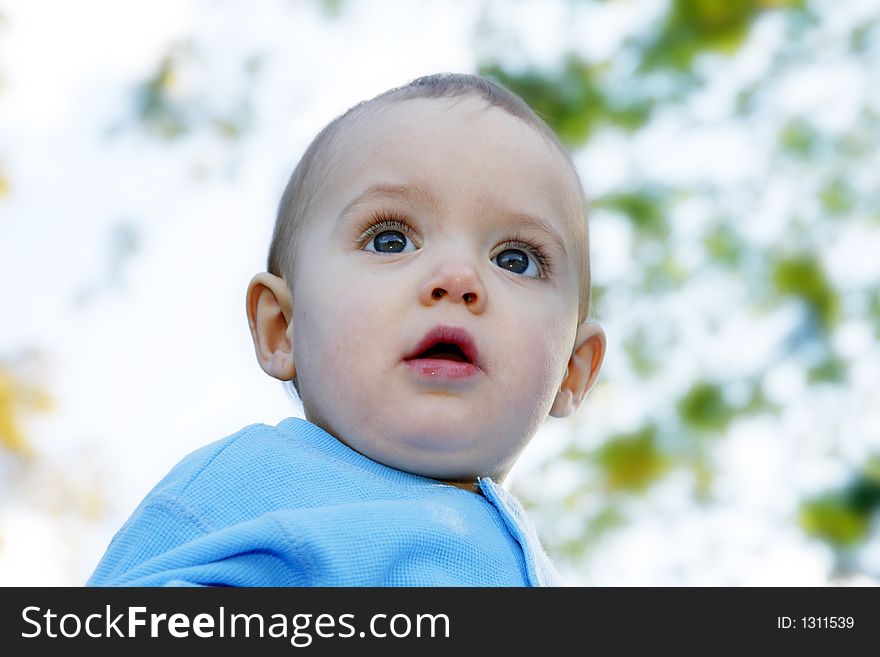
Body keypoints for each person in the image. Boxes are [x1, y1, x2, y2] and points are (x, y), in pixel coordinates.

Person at [87, 72, 606, 587]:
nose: (458, 279)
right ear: (282, 328)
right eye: (390, 240)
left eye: (515, 260)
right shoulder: (247, 485)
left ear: (572, 371)